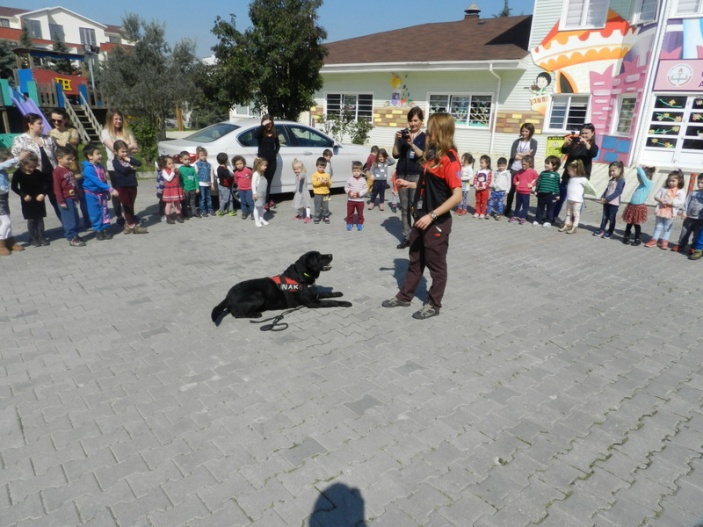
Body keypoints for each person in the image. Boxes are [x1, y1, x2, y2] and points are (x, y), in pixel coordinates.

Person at [381, 112, 462, 320]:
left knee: (437, 266)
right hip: (421, 217)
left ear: (440, 131)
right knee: (415, 260)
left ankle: (434, 304)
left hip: (437, 222)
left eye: (431, 128)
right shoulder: (433, 154)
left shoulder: (450, 159)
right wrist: (410, 184)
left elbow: (457, 196)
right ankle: (405, 296)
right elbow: (432, 186)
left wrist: (432, 215)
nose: (428, 131)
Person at [11, 113, 60, 221]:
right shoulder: (20, 140)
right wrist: (21, 159)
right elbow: (16, 160)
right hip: (34, 178)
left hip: (51, 176)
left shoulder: (48, 139)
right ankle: (37, 235)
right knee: (36, 208)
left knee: (58, 202)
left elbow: (56, 155)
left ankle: (69, 230)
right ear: (30, 125)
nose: (42, 126)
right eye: (39, 123)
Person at [49, 108, 89, 230]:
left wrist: (57, 142)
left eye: (59, 121)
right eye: (53, 120)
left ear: (65, 119)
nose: (56, 123)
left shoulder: (72, 131)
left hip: (74, 172)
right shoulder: (49, 133)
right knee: (66, 200)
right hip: (59, 173)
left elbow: (72, 149)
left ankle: (88, 221)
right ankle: (70, 225)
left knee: (82, 199)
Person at [392, 107, 426, 249]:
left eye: (415, 120)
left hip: (415, 175)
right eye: (410, 121)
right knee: (404, 207)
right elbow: (395, 154)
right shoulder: (403, 135)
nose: (412, 123)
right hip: (401, 173)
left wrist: (411, 143)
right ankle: (407, 236)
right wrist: (396, 139)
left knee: (415, 207)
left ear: (421, 121)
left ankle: (419, 236)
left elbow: (423, 155)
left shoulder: (424, 137)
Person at [554, 123, 599, 222]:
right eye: (582, 133)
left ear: (592, 133)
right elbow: (564, 150)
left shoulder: (593, 145)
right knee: (561, 195)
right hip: (568, 173)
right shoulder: (575, 142)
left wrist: (586, 143)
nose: (583, 135)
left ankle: (573, 221)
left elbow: (593, 153)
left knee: (576, 200)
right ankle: (553, 215)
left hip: (581, 176)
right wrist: (566, 144)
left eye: (586, 133)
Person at [101, 110, 138, 225]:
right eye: (116, 119)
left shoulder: (126, 132)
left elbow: (136, 147)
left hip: (128, 164)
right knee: (118, 192)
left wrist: (123, 150)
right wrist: (128, 148)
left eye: (120, 119)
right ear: (110, 120)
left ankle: (130, 215)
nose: (118, 121)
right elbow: (113, 149)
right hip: (114, 167)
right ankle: (119, 215)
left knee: (130, 191)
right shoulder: (105, 132)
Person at [11, 153, 49, 247]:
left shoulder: (38, 173)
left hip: (38, 199)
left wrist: (42, 194)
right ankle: (33, 238)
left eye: (34, 167)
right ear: (23, 164)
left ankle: (42, 237)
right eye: (29, 167)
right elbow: (14, 187)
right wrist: (23, 195)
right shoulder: (18, 173)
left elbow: (46, 185)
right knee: (31, 219)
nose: (32, 169)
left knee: (40, 219)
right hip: (27, 200)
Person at [82, 143, 118, 240]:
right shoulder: (88, 169)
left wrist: (107, 192)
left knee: (104, 211)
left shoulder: (100, 166)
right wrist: (110, 189)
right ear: (90, 156)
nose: (100, 156)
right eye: (97, 154)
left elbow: (103, 179)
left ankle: (105, 228)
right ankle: (98, 230)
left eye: (100, 153)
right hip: (91, 194)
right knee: (95, 213)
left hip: (101, 193)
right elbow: (96, 181)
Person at [52, 146, 86, 246]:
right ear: (59, 158)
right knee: (69, 219)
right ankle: (71, 237)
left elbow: (72, 183)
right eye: (68, 159)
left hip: (72, 198)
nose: (70, 161)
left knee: (75, 217)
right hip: (65, 199)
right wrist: (61, 201)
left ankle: (75, 234)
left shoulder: (68, 170)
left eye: (71, 159)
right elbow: (57, 188)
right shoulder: (57, 171)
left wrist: (77, 192)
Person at [111, 139, 147, 234]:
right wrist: (131, 168)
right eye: (122, 152)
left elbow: (139, 163)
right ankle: (133, 226)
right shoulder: (115, 161)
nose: (125, 153)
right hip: (122, 186)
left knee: (131, 205)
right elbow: (122, 170)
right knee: (126, 205)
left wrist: (129, 160)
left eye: (126, 151)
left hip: (132, 184)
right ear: (116, 152)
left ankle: (128, 224)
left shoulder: (128, 159)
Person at [645, 170, 686, 249]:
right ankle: (654, 240)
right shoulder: (663, 189)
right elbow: (656, 196)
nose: (671, 182)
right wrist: (660, 200)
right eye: (669, 180)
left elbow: (681, 202)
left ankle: (664, 241)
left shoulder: (680, 191)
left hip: (670, 212)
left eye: (673, 181)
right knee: (658, 226)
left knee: (667, 227)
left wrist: (671, 202)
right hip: (661, 210)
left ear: (680, 181)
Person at [505, 123, 538, 217]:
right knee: (512, 190)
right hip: (514, 168)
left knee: (524, 192)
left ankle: (523, 212)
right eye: (523, 131)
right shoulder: (517, 141)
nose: (524, 133)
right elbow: (513, 155)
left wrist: (519, 155)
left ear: (530, 132)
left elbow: (530, 157)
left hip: (526, 170)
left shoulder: (533, 142)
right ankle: (508, 208)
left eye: (526, 131)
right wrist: (525, 154)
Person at [0, 149, 27, 255]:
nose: (11, 165)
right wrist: (18, 158)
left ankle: (10, 241)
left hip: (3, 197)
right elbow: (4, 165)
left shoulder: (3, 171)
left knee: (6, 221)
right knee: (6, 222)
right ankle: (1, 244)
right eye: (9, 161)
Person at [622, 166, 655, 246]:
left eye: (639, 177)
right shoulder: (641, 184)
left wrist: (639, 166)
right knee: (629, 223)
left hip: (638, 207)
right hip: (632, 206)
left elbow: (643, 175)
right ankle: (626, 236)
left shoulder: (648, 184)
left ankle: (637, 238)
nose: (639, 179)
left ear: (647, 177)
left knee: (636, 224)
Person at [253, 114, 280, 211]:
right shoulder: (260, 132)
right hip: (262, 161)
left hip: (272, 161)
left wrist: (274, 154)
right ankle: (258, 202)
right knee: (259, 182)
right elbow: (255, 136)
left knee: (267, 183)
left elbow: (277, 145)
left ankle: (266, 202)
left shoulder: (274, 132)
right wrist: (262, 126)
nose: (269, 125)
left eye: (270, 123)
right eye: (267, 123)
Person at [672, 174, 703, 253]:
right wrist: (684, 212)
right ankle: (681, 245)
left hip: (700, 219)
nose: (699, 184)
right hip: (689, 217)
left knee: (697, 234)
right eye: (698, 182)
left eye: (702, 183)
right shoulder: (692, 193)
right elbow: (686, 203)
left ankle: (694, 247)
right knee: (684, 232)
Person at [594, 161, 625, 239]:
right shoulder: (612, 179)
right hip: (606, 202)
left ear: (620, 170)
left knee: (611, 218)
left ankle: (610, 232)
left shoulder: (621, 181)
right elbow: (607, 189)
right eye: (610, 171)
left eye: (613, 171)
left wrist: (607, 199)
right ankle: (601, 229)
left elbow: (618, 192)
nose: (611, 173)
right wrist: (602, 196)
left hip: (614, 203)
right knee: (604, 217)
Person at [558, 160, 589, 234]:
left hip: (577, 200)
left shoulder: (583, 179)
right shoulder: (571, 178)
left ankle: (574, 226)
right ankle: (566, 224)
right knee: (568, 213)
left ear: (575, 170)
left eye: (569, 171)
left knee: (576, 214)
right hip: (569, 199)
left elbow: (588, 187)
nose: (568, 172)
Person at [533, 155, 562, 227]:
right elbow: (539, 182)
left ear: (554, 165)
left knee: (550, 209)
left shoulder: (556, 175)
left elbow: (557, 185)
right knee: (540, 208)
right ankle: (538, 219)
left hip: (551, 195)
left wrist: (557, 194)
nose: (545, 165)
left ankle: (548, 221)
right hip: (541, 194)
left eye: (548, 163)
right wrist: (536, 190)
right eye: (545, 163)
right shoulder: (543, 173)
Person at [508, 154, 537, 225]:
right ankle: (515, 216)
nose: (523, 165)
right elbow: (515, 178)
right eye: (522, 164)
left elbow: (537, 179)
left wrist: (532, 184)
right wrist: (515, 182)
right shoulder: (520, 171)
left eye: (525, 164)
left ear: (530, 164)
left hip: (526, 192)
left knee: (525, 206)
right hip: (519, 191)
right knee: (517, 205)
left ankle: (523, 217)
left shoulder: (532, 171)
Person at [161, 155, 185, 224]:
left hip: (176, 188)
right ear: (165, 165)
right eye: (169, 164)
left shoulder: (176, 170)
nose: (172, 165)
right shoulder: (164, 171)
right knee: (168, 203)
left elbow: (178, 178)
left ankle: (179, 215)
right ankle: (168, 216)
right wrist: (172, 172)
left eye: (172, 163)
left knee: (177, 203)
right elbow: (168, 179)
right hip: (169, 189)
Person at [345, 161, 367, 231]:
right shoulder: (350, 179)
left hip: (360, 201)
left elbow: (365, 189)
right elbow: (346, 187)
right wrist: (349, 192)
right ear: (352, 171)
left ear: (361, 171)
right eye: (354, 171)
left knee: (360, 213)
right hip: (351, 200)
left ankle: (360, 223)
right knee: (350, 213)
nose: (356, 172)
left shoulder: (363, 180)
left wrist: (359, 194)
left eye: (358, 171)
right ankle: (349, 223)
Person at [194, 146, 216, 217]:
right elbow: (195, 175)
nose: (204, 157)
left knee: (209, 197)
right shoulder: (197, 164)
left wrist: (212, 184)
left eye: (205, 155)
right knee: (202, 198)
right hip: (201, 184)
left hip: (208, 184)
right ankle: (203, 210)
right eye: (202, 155)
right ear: (198, 156)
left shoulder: (209, 165)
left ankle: (210, 209)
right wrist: (196, 186)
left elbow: (211, 174)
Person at [178, 151, 199, 218]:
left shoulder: (192, 168)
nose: (188, 161)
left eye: (189, 159)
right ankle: (184, 213)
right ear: (181, 160)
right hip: (185, 189)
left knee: (192, 202)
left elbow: (195, 178)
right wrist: (182, 188)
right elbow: (179, 180)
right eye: (185, 159)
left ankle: (194, 212)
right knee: (185, 202)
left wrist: (197, 187)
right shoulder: (180, 169)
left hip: (192, 188)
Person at [312, 156, 332, 224]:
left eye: (323, 167)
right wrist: (321, 182)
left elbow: (330, 184)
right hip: (317, 193)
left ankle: (325, 216)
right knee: (317, 206)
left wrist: (327, 182)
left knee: (325, 206)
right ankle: (317, 216)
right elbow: (314, 183)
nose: (321, 169)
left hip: (326, 193)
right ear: (316, 166)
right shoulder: (315, 175)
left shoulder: (327, 175)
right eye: (320, 167)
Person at [233, 155, 254, 220]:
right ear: (235, 165)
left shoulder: (248, 170)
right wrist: (239, 185)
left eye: (241, 163)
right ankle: (244, 212)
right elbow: (236, 181)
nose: (239, 165)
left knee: (249, 201)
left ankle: (253, 212)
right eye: (237, 164)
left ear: (244, 163)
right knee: (243, 202)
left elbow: (251, 177)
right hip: (241, 190)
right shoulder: (236, 173)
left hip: (249, 189)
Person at [292, 158, 312, 223]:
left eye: (297, 169)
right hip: (299, 193)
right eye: (294, 169)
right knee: (299, 205)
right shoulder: (296, 175)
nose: (296, 171)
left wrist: (300, 176)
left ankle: (308, 216)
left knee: (307, 205)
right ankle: (300, 215)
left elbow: (302, 175)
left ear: (302, 169)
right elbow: (297, 184)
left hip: (304, 192)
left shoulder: (303, 174)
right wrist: (295, 190)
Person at [215, 152, 236, 217]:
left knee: (228, 198)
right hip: (225, 187)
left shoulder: (218, 168)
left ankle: (230, 209)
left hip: (221, 185)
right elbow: (229, 177)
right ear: (226, 160)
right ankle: (221, 210)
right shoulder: (225, 170)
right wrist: (233, 175)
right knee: (226, 199)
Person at [252, 157, 269, 227]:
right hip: (257, 194)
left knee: (262, 207)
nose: (266, 167)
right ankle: (257, 220)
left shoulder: (261, 173)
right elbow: (253, 184)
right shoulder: (256, 174)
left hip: (262, 194)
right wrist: (254, 193)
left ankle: (261, 219)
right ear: (259, 166)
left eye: (266, 165)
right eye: (264, 165)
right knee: (257, 207)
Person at [155, 156, 167, 222]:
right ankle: (162, 214)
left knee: (163, 203)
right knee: (163, 203)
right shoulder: (162, 173)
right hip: (162, 191)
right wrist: (159, 192)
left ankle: (162, 213)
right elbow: (160, 184)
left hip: (163, 191)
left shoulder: (162, 172)